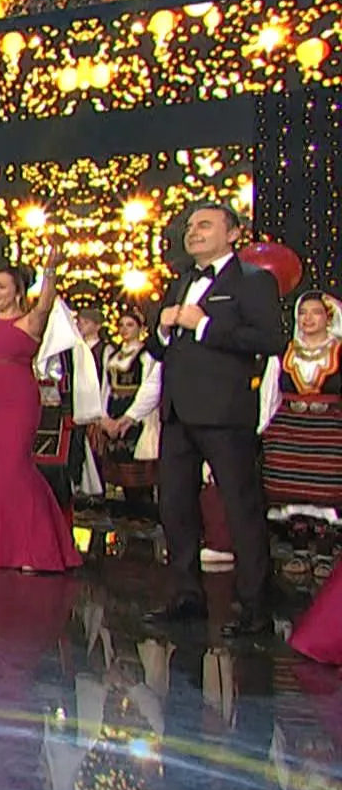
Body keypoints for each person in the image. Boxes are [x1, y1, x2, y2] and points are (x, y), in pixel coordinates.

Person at [143, 204, 287, 637]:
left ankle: (254, 605)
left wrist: (204, 325)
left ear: (233, 233)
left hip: (224, 412)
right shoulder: (181, 281)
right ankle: (186, 596)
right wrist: (163, 329)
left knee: (240, 508)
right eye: (190, 226)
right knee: (176, 507)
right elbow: (158, 348)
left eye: (204, 225)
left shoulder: (253, 280)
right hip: (178, 412)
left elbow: (270, 339)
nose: (194, 232)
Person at [0, 251, 83, 573]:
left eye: (2, 287)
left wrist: (50, 271)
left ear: (18, 292)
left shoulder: (30, 321)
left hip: (16, 400)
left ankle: (36, 547)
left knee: (16, 467)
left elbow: (45, 304)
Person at [278, 293, 342, 662]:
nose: (308, 319)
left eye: (315, 313)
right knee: (293, 491)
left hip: (328, 428)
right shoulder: (286, 353)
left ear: (328, 318)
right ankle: (299, 549)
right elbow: (271, 392)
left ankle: (324, 553)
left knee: (326, 492)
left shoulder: (338, 351)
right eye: (303, 313)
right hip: (292, 427)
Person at [92, 309, 161, 515]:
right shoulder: (114, 355)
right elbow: (105, 387)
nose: (124, 329)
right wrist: (104, 416)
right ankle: (126, 511)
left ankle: (143, 511)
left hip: (136, 413)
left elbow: (149, 386)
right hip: (115, 409)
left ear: (141, 328)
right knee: (118, 463)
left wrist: (131, 415)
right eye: (121, 325)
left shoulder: (146, 355)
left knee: (138, 464)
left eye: (130, 325)